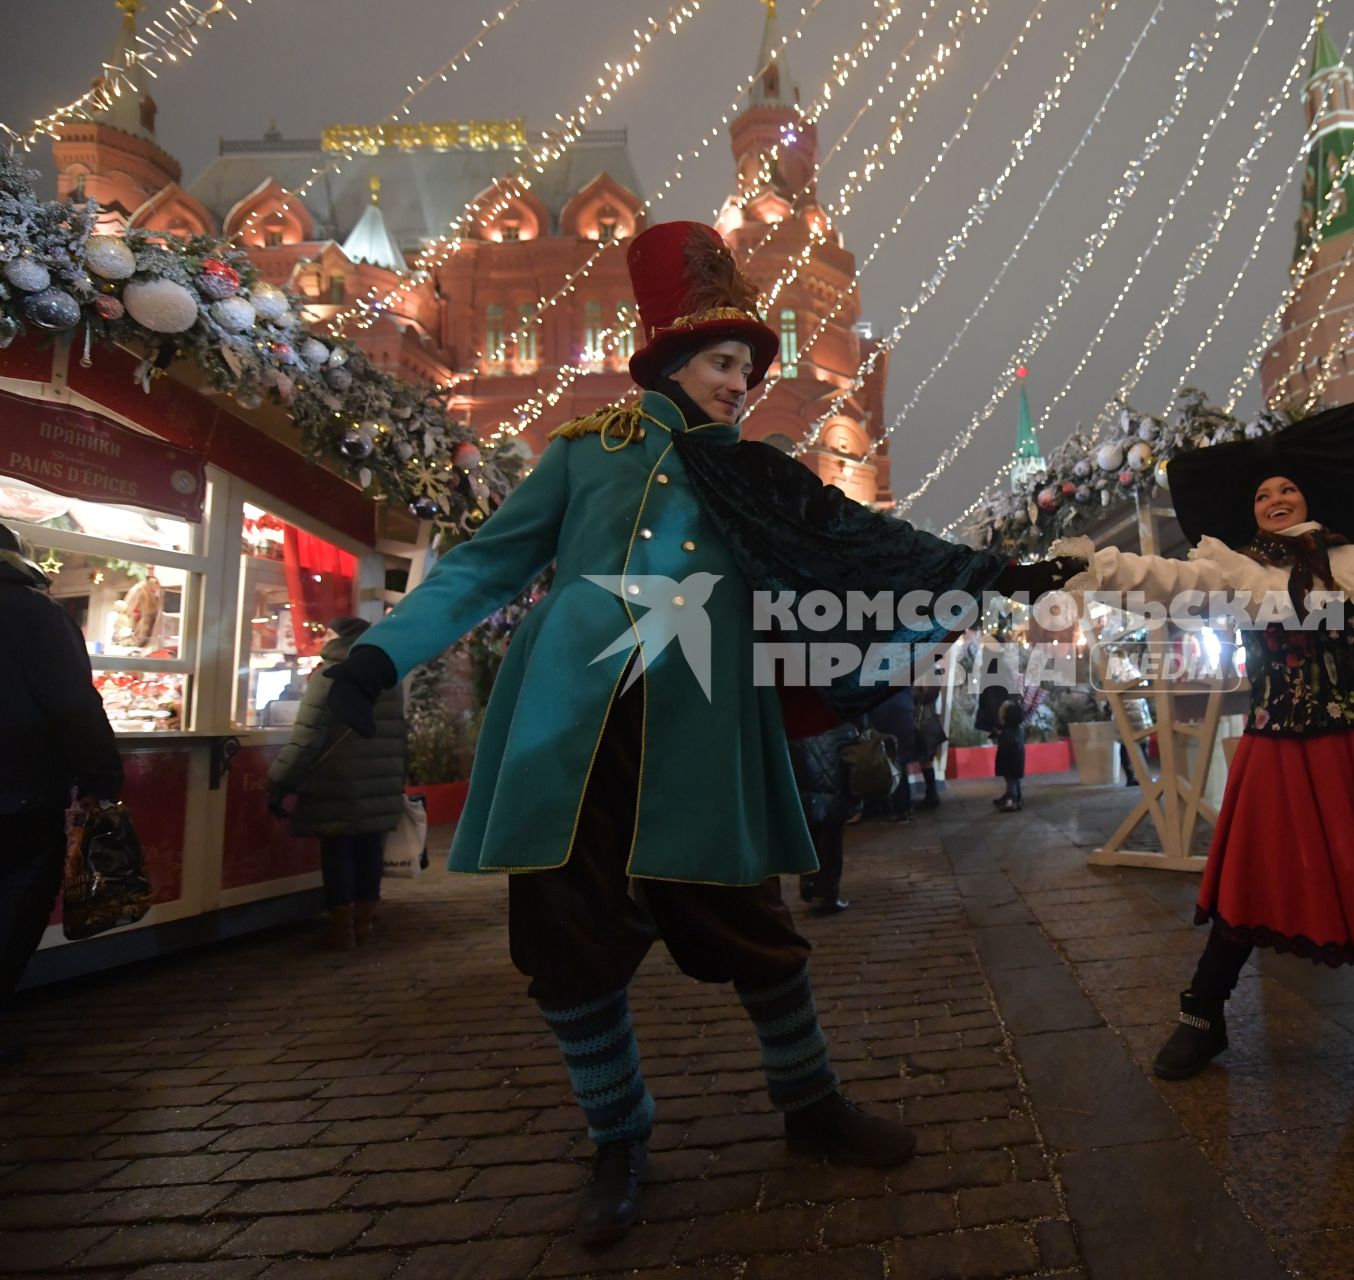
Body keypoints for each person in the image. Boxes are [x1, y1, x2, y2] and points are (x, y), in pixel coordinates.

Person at [317, 222, 1080, 1247]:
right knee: (565, 930)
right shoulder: (584, 453)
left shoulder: (757, 475)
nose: (740, 384)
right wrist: (376, 658)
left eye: (748, 369)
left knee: (746, 918)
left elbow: (867, 544)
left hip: (700, 722)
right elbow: (482, 565)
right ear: (672, 361)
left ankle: (810, 1103)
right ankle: (618, 1137)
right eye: (725, 363)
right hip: (570, 723)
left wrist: (990, 575)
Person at [1050, 400, 1354, 1080]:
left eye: (1286, 489)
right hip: (1280, 747)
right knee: (1250, 881)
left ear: (1307, 497)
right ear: (1249, 512)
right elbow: (1168, 581)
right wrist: (1098, 568)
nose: (1275, 498)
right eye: (1262, 494)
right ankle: (1203, 1014)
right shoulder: (1234, 573)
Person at [0, 522, 122, 1060]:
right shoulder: (36, 615)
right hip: (19, 795)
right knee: (13, 908)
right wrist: (100, 778)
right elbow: (74, 705)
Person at [267, 616, 406, 949]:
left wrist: (279, 782)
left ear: (337, 638)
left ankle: (342, 928)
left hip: (336, 781)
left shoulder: (330, 675)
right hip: (379, 780)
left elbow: (306, 738)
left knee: (337, 850)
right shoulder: (389, 678)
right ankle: (364, 924)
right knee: (370, 848)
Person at [790, 722, 859, 913]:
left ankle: (809, 883)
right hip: (835, 778)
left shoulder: (796, 714)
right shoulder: (839, 715)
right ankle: (828, 895)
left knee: (811, 832)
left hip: (807, 773)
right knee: (832, 838)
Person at [867, 685, 917, 822]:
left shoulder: (887, 691)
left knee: (894, 769)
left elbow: (880, 712)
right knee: (902, 767)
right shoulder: (905, 689)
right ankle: (906, 807)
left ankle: (898, 810)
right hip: (906, 728)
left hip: (892, 730)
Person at [992, 685, 1028, 813]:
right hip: (1017, 763)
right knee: (1015, 781)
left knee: (1011, 781)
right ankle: (1017, 798)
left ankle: (1012, 800)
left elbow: (1005, 750)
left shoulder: (1007, 734)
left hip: (1010, 764)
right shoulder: (1018, 730)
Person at [910, 684, 945, 810]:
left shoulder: (929, 676)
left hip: (925, 725)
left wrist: (912, 691)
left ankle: (932, 796)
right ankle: (931, 795)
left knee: (926, 760)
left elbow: (928, 696)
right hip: (926, 724)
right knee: (925, 761)